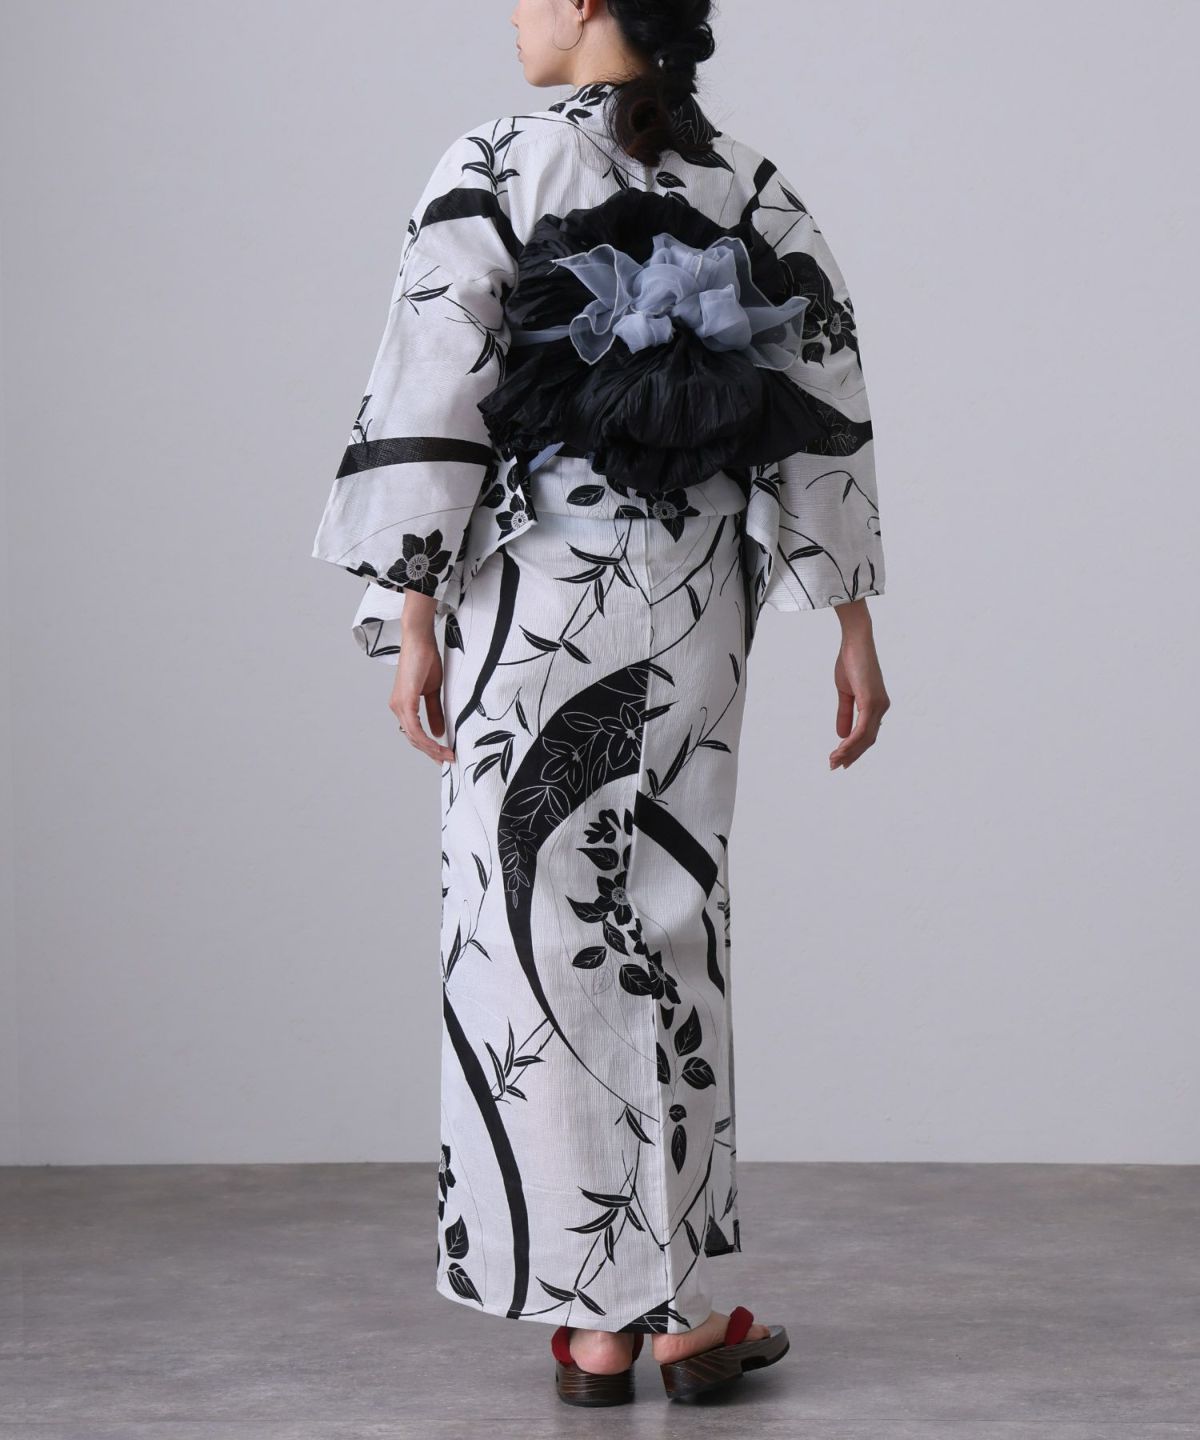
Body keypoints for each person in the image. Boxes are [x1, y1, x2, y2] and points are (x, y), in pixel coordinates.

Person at [311, 0, 890, 1407]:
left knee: (528, 933)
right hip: (693, 596)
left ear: (583, 0)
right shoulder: (744, 179)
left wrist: (413, 616)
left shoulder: (493, 163)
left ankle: (597, 1322)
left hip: (536, 592)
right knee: (671, 919)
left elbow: (436, 384)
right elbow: (821, 393)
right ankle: (680, 1309)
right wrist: (850, 622)